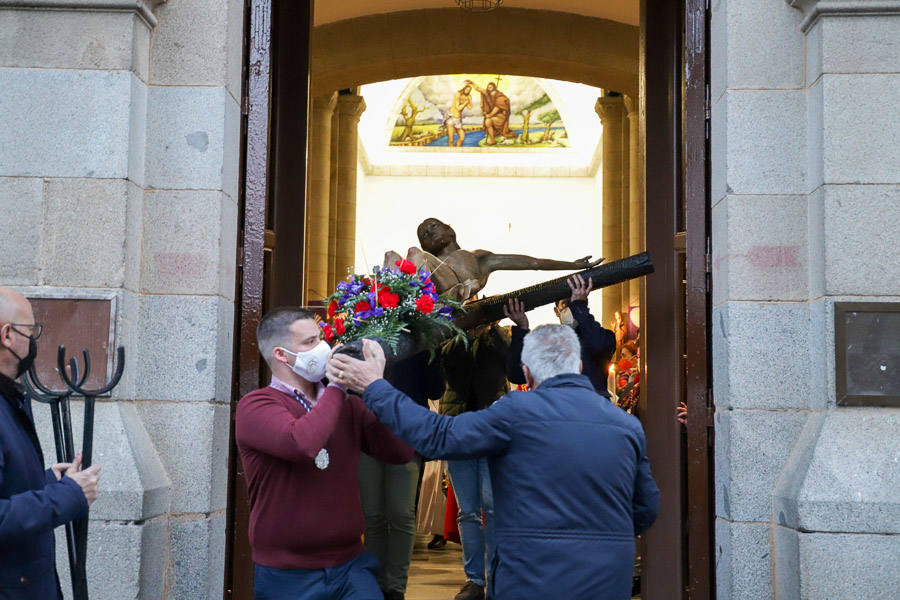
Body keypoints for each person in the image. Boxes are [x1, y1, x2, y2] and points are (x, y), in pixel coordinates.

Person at [327, 326, 660, 599]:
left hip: (531, 576)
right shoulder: (626, 424)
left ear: (526, 372)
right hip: (607, 577)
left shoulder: (516, 412)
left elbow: (439, 435)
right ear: (579, 367)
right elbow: (646, 508)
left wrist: (374, 386)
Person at [235, 308, 414, 600]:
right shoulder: (256, 406)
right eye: (309, 342)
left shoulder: (347, 405)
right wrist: (338, 386)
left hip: (351, 567)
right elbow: (302, 443)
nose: (323, 349)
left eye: (320, 339)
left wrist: (377, 388)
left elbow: (401, 451)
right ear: (281, 355)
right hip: (287, 575)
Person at [0, 287, 102, 600]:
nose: (34, 340)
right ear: (7, 336)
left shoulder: (10, 399)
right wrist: (67, 495)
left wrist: (46, 482)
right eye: (31, 331)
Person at [357, 352, 444, 600]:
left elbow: (435, 389)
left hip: (408, 431)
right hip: (368, 431)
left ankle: (395, 587)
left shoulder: (419, 336)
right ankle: (375, 584)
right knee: (372, 515)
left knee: (401, 513)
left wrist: (431, 350)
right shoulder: (365, 327)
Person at [436, 324, 510, 600]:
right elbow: (449, 367)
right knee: (467, 511)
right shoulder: (452, 337)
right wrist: (465, 333)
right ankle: (474, 580)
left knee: (493, 508)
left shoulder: (499, 336)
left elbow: (506, 359)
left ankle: (496, 576)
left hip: (492, 429)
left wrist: (489, 331)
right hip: (459, 429)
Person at [390, 218, 600, 302]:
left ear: (449, 229)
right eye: (424, 234)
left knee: (414, 254)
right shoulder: (428, 260)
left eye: (433, 226)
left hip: (454, 289)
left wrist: (573, 265)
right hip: (431, 287)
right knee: (391, 257)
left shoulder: (478, 258)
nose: (428, 232)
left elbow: (533, 263)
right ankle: (389, 303)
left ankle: (405, 301)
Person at [504, 273, 616, 394]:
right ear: (557, 311)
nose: (571, 308)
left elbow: (598, 345)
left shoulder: (602, 336)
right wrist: (522, 329)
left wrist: (579, 307)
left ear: (584, 304)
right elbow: (517, 375)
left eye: (574, 302)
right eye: (566, 304)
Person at [447, 82, 474, 147]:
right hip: (451, 118)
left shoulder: (468, 96)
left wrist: (469, 99)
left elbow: (470, 107)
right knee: (451, 140)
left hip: (458, 120)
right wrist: (466, 103)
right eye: (467, 89)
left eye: (469, 90)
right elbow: (458, 108)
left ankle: (457, 151)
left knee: (462, 138)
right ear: (464, 89)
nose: (467, 91)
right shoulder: (458, 94)